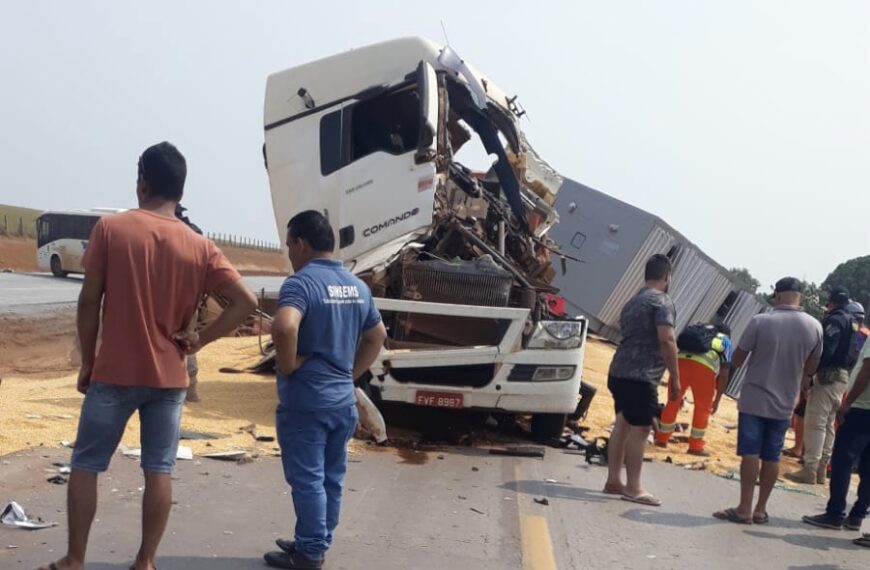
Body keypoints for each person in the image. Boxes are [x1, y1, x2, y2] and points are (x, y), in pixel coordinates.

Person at [39, 142, 257, 570]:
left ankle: (74, 559)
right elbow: (245, 302)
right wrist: (200, 340)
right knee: (159, 470)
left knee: (86, 464)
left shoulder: (111, 229)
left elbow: (89, 301)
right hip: (169, 380)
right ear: (179, 189)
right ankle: (145, 561)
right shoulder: (200, 246)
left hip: (115, 373)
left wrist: (87, 362)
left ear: (142, 183)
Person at [264, 210, 387, 569]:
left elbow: (285, 328)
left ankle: (310, 552)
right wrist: (349, 374)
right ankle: (314, 539)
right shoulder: (357, 286)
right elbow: (377, 336)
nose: (289, 253)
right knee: (331, 477)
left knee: (307, 480)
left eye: (289, 245)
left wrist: (288, 366)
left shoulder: (300, 284)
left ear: (301, 244)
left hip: (306, 403)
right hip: (341, 403)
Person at [714, 277, 822, 524]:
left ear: (778, 296)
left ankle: (743, 509)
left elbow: (738, 357)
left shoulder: (761, 321)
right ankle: (760, 510)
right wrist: (802, 377)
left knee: (750, 452)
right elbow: (813, 364)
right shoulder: (814, 326)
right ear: (800, 297)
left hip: (754, 398)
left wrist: (723, 376)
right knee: (772, 455)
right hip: (786, 402)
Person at [603, 253, 679, 507]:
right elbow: (667, 340)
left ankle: (614, 479)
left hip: (619, 371)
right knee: (641, 429)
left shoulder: (633, 301)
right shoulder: (662, 302)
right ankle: (633, 487)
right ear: (667, 277)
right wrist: (675, 379)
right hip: (641, 376)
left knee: (622, 424)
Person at [801, 332, 870, 540]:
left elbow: (867, 370)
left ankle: (835, 513)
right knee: (869, 466)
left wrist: (848, 403)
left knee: (843, 460)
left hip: (862, 409)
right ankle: (857, 515)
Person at [786, 286, 855, 484]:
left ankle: (810, 469)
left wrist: (810, 374)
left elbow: (827, 350)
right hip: (842, 377)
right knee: (828, 425)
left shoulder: (835, 320)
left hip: (827, 377)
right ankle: (821, 471)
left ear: (831, 302)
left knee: (815, 423)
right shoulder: (853, 322)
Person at [655, 323, 733, 456]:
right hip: (703, 370)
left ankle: (662, 439)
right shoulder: (725, 341)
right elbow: (725, 373)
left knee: (672, 402)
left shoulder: (699, 333)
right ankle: (695, 447)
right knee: (702, 408)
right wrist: (717, 399)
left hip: (680, 363)